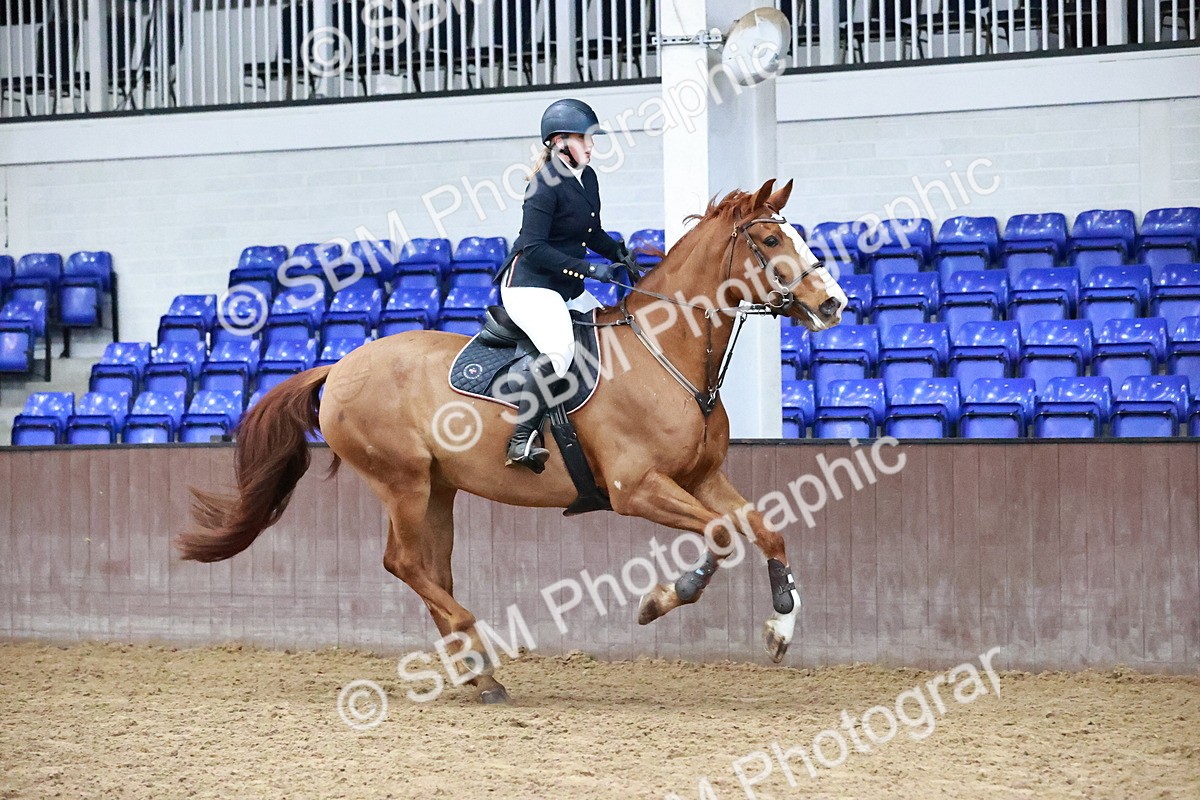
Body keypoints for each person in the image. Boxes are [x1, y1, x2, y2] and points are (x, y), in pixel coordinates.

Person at [495, 98, 637, 473]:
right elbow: (534, 248)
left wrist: (619, 254)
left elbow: (591, 232)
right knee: (560, 352)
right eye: (584, 139)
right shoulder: (543, 186)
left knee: (612, 334)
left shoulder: (587, 178)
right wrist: (590, 270)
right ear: (559, 142)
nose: (591, 146)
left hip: (565, 286)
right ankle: (521, 438)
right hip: (532, 286)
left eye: (591, 139)